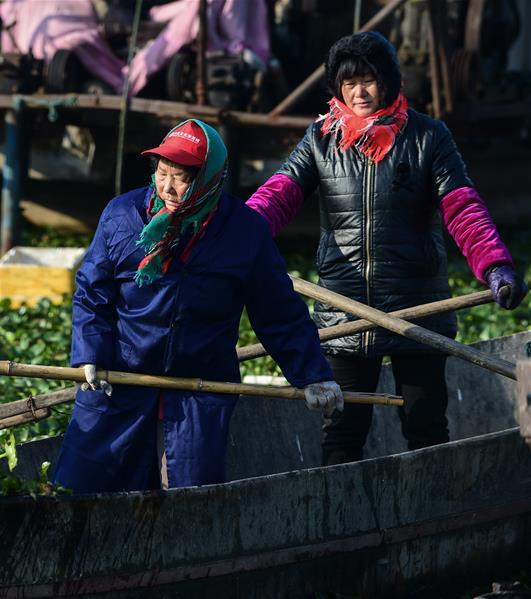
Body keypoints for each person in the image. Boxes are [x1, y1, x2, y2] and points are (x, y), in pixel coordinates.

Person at [245, 32, 528, 465]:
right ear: (336, 87)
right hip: (343, 314)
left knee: (426, 427)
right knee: (342, 433)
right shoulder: (321, 139)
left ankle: (433, 520)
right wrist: (234, 237)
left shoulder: (429, 137)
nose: (359, 92)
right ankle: (340, 527)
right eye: (349, 82)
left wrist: (495, 264)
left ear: (390, 82)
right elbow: (277, 195)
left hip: (418, 312)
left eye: (369, 80)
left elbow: (462, 208)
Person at [52, 118, 344, 494]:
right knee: (86, 489)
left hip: (198, 388)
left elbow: (278, 311)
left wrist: (313, 374)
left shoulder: (243, 231)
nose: (168, 188)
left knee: (189, 500)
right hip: (120, 381)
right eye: (161, 173)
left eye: (182, 178)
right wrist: (90, 354)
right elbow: (93, 292)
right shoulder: (121, 216)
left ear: (210, 178)